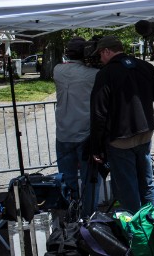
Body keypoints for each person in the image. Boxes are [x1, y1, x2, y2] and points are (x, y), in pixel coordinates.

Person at [89, 35, 154, 213]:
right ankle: (152, 227)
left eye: (100, 55)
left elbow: (98, 113)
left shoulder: (106, 74)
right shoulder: (144, 66)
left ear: (107, 51)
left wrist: (96, 147)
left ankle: (138, 235)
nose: (100, 59)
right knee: (147, 183)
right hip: (144, 134)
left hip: (120, 140)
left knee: (128, 188)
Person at [53, 37, 101, 217]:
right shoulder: (93, 74)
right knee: (90, 179)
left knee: (67, 179)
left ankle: (71, 214)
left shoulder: (57, 70)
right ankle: (89, 216)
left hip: (63, 132)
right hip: (85, 133)